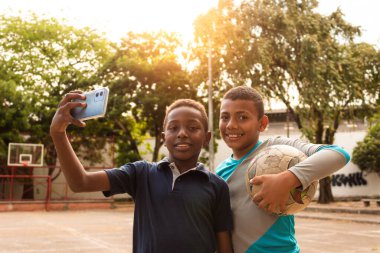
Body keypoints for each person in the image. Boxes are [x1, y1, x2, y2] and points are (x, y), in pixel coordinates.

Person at [50, 92, 234, 253]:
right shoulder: (141, 173)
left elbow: (224, 247)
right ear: (163, 138)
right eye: (173, 128)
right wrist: (58, 134)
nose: (182, 133)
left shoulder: (217, 186)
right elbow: (80, 182)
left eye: (193, 128)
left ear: (206, 138)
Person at [216, 86, 350, 253]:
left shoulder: (277, 148)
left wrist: (287, 179)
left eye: (243, 117)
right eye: (225, 117)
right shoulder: (218, 173)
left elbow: (338, 154)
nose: (231, 125)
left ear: (262, 123)